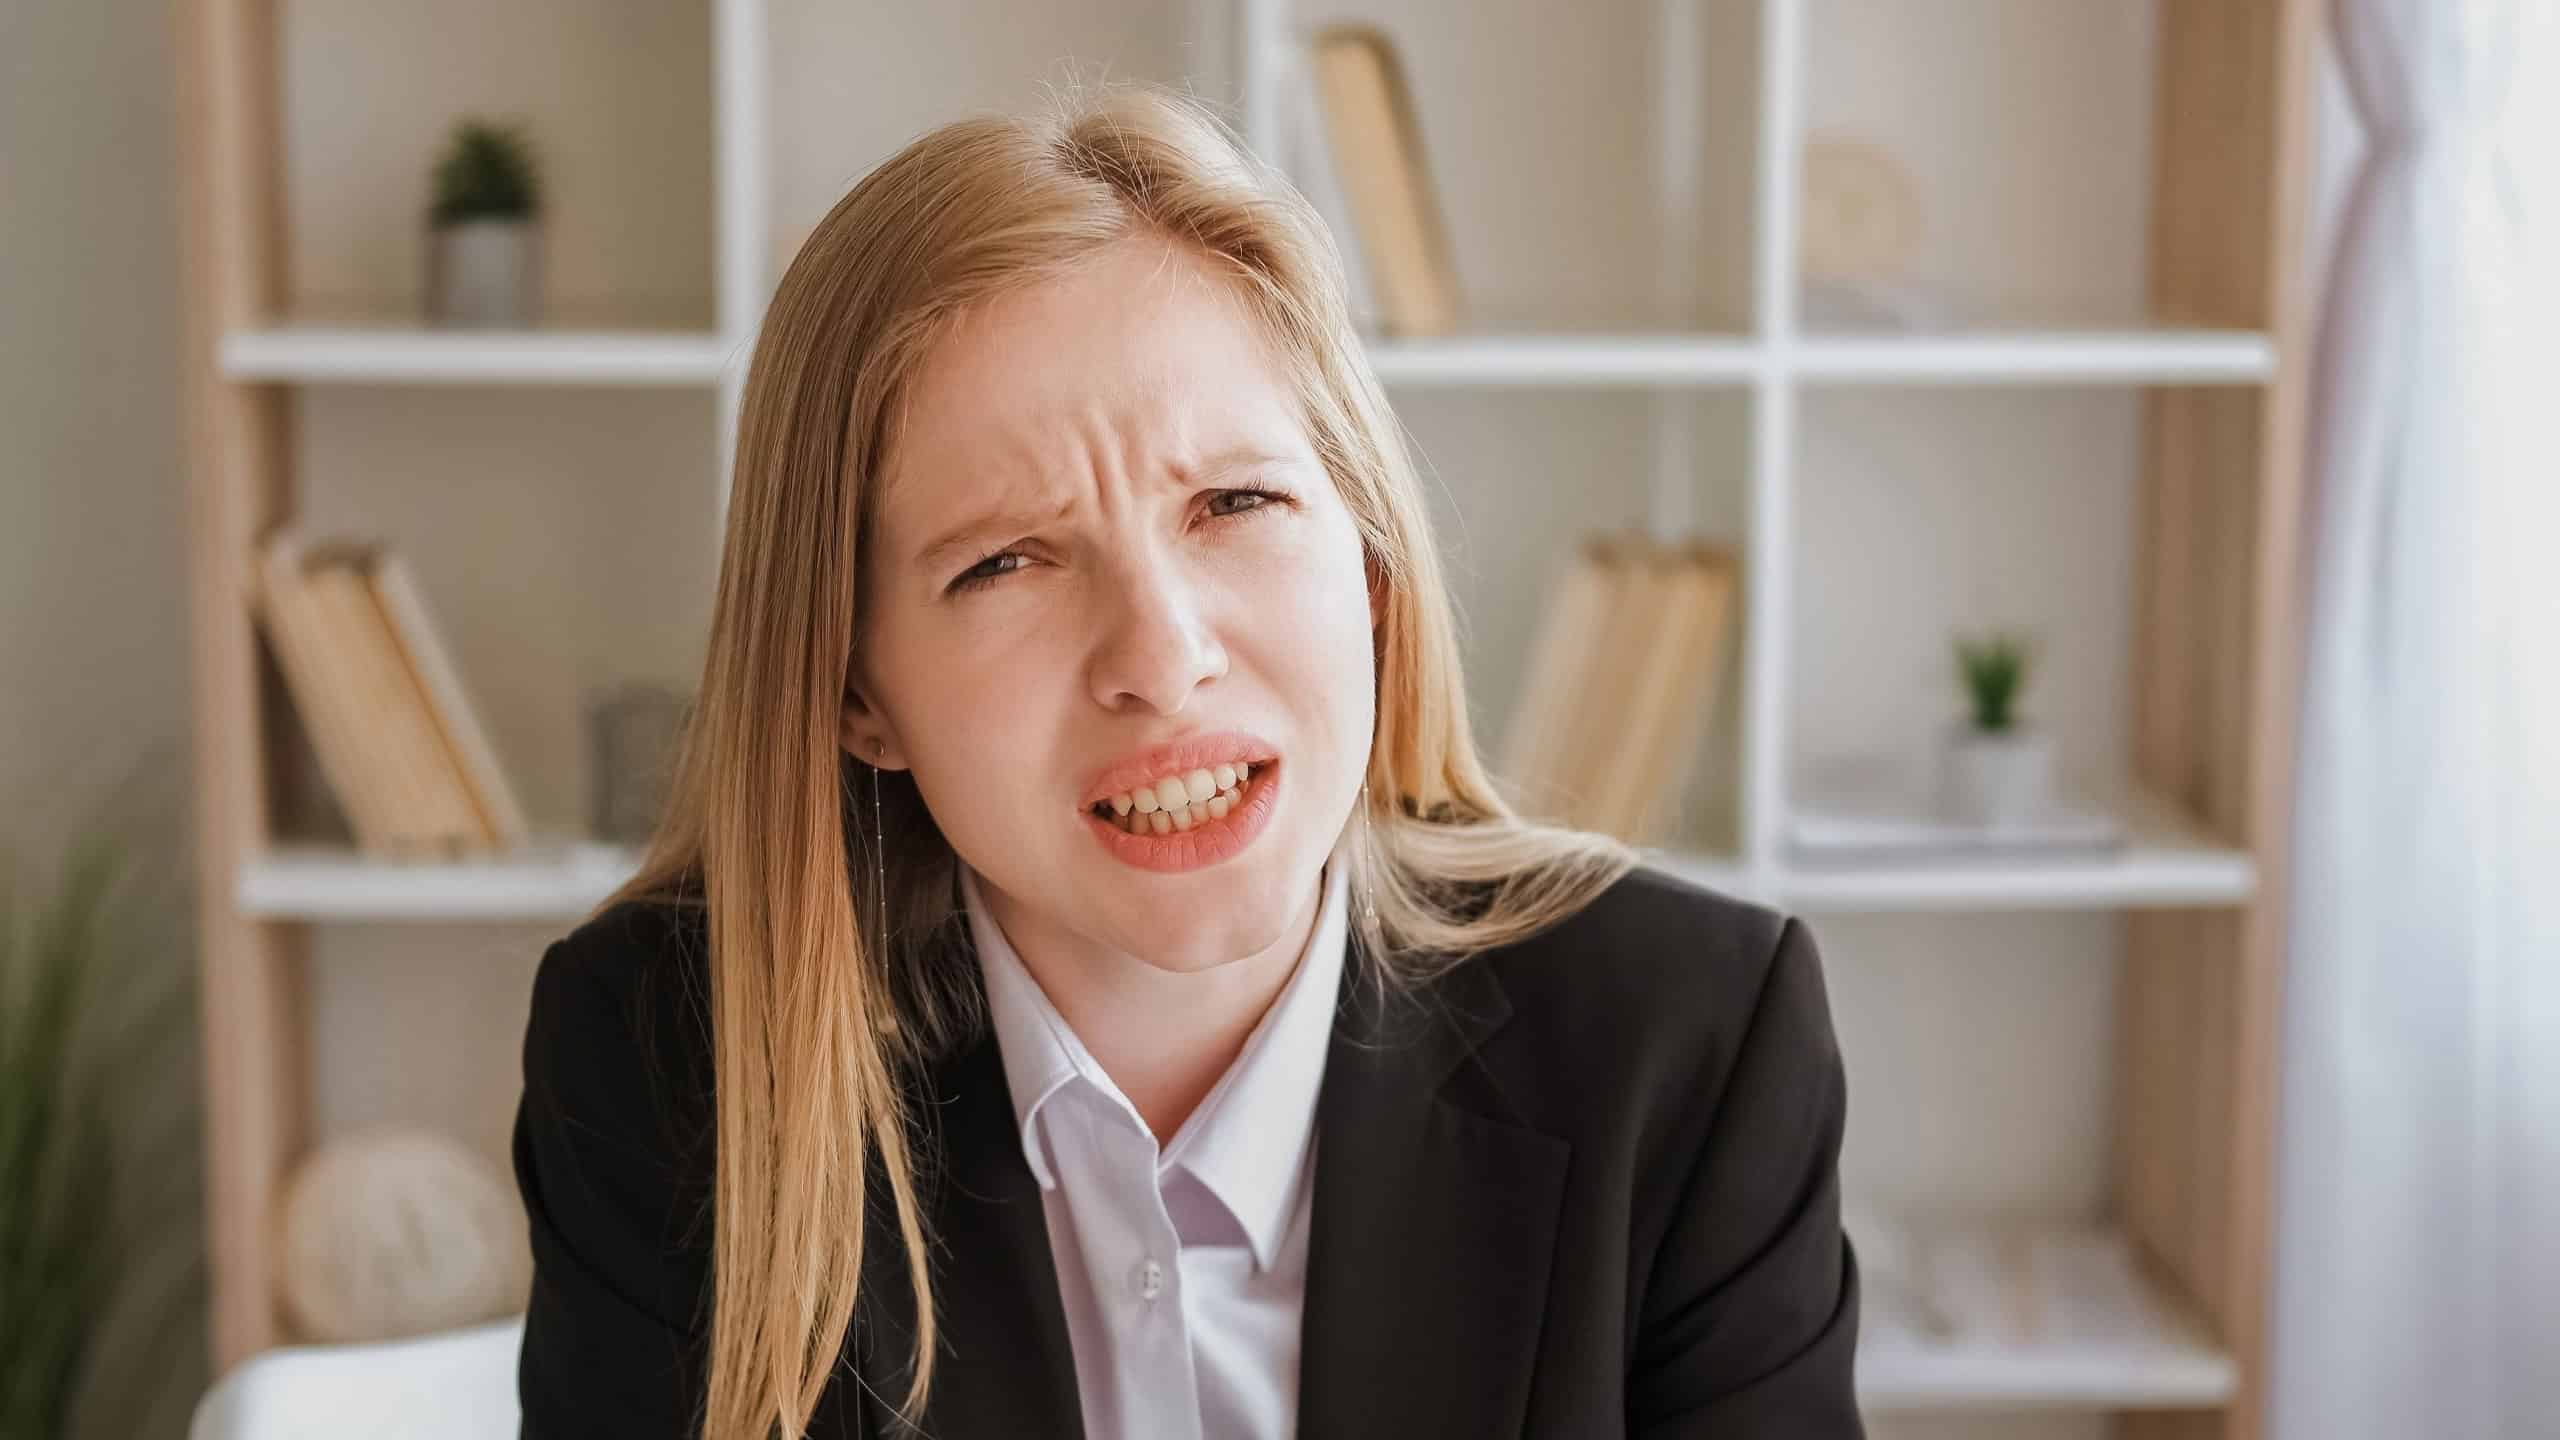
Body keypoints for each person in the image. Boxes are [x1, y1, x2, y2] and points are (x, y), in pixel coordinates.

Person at [512, 81, 1862, 1440]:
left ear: (1372, 560)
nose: (1160, 658)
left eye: (1236, 502)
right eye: (1004, 562)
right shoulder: (669, 1059)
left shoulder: (1693, 1041)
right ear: (858, 691)